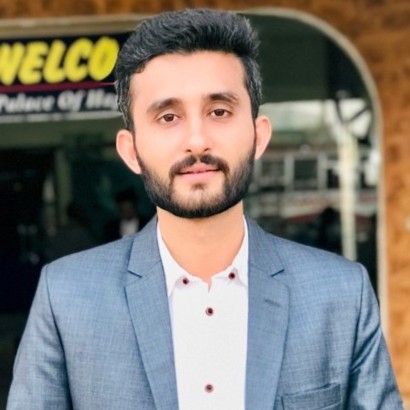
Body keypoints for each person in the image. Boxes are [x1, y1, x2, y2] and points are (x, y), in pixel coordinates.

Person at [7, 9, 403, 410]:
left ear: (258, 135)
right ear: (131, 150)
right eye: (168, 117)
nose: (197, 141)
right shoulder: (67, 297)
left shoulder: (340, 295)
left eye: (219, 112)